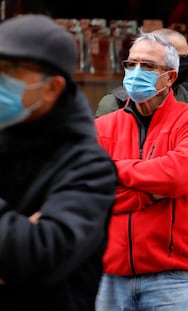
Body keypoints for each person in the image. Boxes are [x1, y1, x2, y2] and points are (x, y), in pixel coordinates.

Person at [0, 14, 117, 310]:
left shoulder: (87, 164)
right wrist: (19, 230)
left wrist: (21, 253)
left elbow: (38, 256)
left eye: (9, 71)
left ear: (52, 88)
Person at [95, 27, 188, 311]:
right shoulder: (103, 126)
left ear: (170, 77)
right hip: (108, 275)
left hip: (170, 277)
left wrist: (115, 170)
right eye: (131, 64)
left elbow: (177, 176)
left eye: (147, 66)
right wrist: (147, 195)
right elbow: (89, 192)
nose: (136, 71)